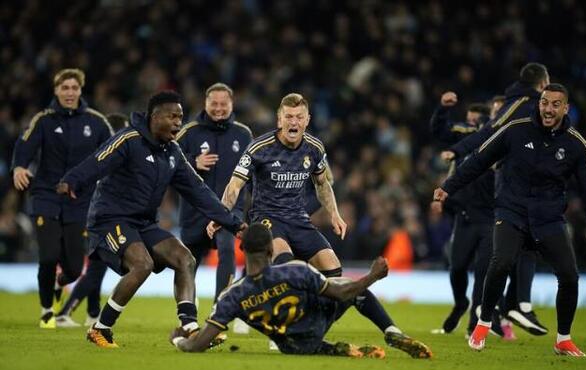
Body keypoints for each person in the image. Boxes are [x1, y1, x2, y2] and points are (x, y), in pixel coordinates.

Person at [207, 93, 411, 347]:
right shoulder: (259, 148)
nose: (293, 122)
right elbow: (235, 185)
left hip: (299, 220)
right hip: (268, 219)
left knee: (335, 272)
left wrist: (335, 213)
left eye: (299, 117)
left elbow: (323, 183)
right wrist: (222, 215)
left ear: (307, 120)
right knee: (286, 265)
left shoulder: (314, 148)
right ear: (279, 119)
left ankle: (388, 329)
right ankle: (286, 326)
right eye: (289, 117)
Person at [57, 91, 246, 348]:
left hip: (143, 223)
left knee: (184, 258)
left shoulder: (173, 152)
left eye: (181, 117)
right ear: (155, 117)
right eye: (173, 117)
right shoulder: (128, 140)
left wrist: (234, 223)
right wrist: (72, 180)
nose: (179, 123)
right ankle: (101, 328)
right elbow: (97, 161)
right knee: (142, 264)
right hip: (109, 219)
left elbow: (199, 192)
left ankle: (189, 327)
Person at [433, 84, 586, 357]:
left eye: (555, 104)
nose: (548, 109)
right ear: (539, 104)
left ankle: (563, 339)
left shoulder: (575, 144)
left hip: (548, 218)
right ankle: (483, 324)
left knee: (569, 275)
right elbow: (478, 159)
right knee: (501, 263)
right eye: (544, 102)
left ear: (565, 108)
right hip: (512, 211)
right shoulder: (515, 130)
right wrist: (449, 186)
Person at [170, 223, 432, 358]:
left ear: (243, 252)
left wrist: (179, 339)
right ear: (271, 250)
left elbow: (198, 345)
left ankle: (331, 349)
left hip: (291, 346)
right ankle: (391, 332)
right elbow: (342, 294)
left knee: (297, 336)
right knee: (351, 288)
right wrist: (372, 276)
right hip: (316, 322)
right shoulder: (294, 270)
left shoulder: (232, 296)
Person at [440, 63, 552, 336]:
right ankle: (507, 306)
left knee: (518, 250)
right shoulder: (523, 104)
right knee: (512, 252)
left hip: (513, 195)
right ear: (542, 82)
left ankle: (500, 307)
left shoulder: (534, 108)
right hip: (508, 194)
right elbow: (487, 135)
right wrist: (455, 160)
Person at [11, 68, 113, 328]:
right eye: (64, 88)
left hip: (80, 200)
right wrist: (19, 167)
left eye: (74, 88)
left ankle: (59, 283)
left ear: (81, 90)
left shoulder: (97, 122)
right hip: (46, 195)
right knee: (47, 256)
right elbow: (24, 145)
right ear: (56, 90)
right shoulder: (43, 120)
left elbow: (114, 151)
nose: (69, 93)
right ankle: (47, 310)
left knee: (74, 268)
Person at [175, 83, 252, 305]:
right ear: (205, 103)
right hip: (194, 210)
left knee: (227, 250)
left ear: (232, 104)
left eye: (223, 104)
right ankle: (187, 309)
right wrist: (192, 162)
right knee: (187, 262)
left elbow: (254, 170)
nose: (219, 108)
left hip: (228, 210)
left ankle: (221, 306)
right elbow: (169, 163)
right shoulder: (189, 132)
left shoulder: (243, 134)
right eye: (214, 103)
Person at [429, 92, 497, 336]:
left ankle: (473, 324)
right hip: (465, 215)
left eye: (472, 120)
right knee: (457, 267)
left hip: (490, 216)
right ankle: (460, 303)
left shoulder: (499, 138)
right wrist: (442, 109)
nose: (467, 124)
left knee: (482, 271)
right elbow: (440, 130)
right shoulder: (465, 136)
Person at [54, 113, 129, 327]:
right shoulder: (110, 156)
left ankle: (93, 313)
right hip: (97, 217)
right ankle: (64, 313)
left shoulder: (104, 155)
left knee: (97, 266)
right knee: (97, 268)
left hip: (92, 215)